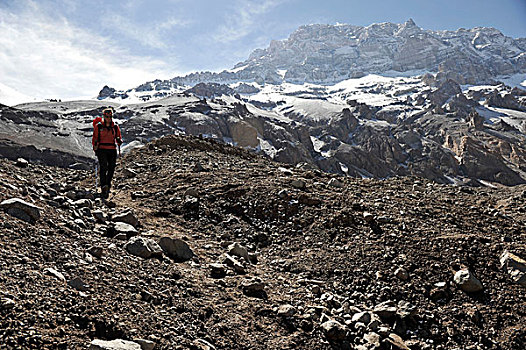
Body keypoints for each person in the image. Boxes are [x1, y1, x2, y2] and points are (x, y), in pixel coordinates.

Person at [92, 108, 122, 199]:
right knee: (104, 167)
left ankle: (107, 184)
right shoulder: (99, 126)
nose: (109, 118)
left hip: (112, 149)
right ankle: (104, 185)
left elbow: (119, 137)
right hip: (102, 149)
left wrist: (119, 140)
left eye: (110, 116)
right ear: (104, 116)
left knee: (112, 167)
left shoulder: (115, 127)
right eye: (107, 116)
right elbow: (95, 138)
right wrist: (95, 146)